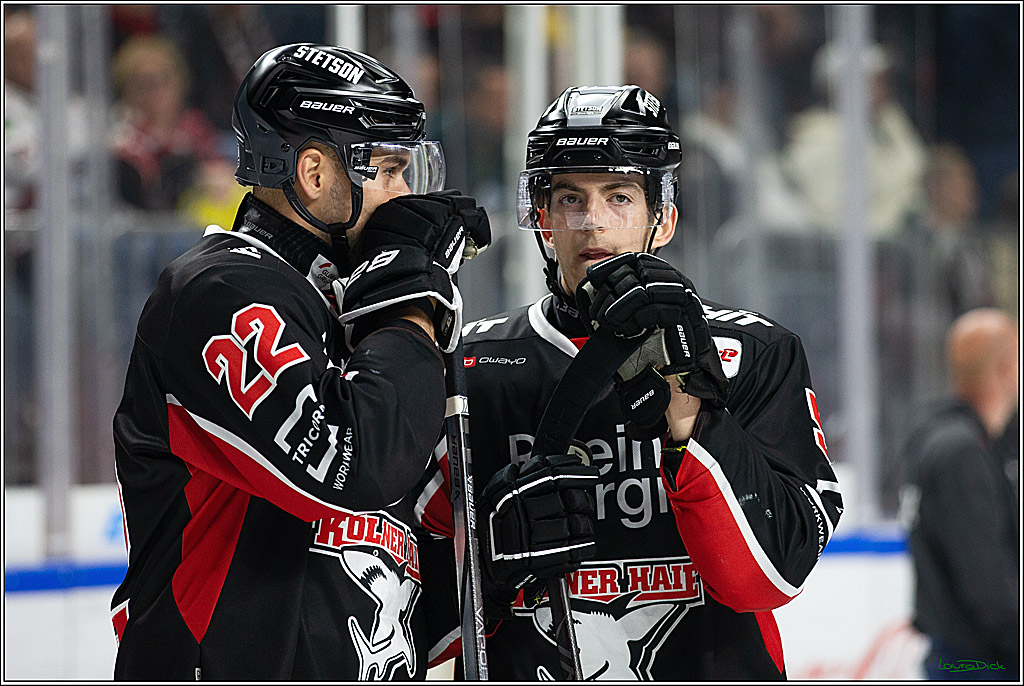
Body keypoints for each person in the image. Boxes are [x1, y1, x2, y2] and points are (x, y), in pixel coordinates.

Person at [422, 85, 843, 679]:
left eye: (618, 196)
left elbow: (769, 576)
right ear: (541, 220)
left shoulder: (754, 353)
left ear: (663, 218)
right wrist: (486, 563)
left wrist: (692, 418)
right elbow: (403, 604)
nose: (592, 222)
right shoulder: (469, 368)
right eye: (570, 198)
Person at [110, 43, 489, 680]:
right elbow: (360, 459)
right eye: (390, 169)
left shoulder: (351, 305)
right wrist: (410, 306)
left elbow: (428, 511)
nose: (405, 196)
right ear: (314, 174)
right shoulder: (218, 293)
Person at [901, 308, 1019, 681]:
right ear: (1004, 366)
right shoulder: (961, 452)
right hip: (977, 663)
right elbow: (985, 583)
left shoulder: (941, 439)